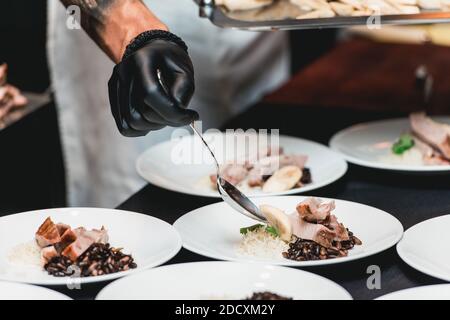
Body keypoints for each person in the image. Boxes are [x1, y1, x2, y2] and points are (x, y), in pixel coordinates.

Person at [49, 0, 290, 207]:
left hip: (260, 24)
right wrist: (135, 32)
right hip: (139, 17)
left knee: (271, 181)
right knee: (148, 199)